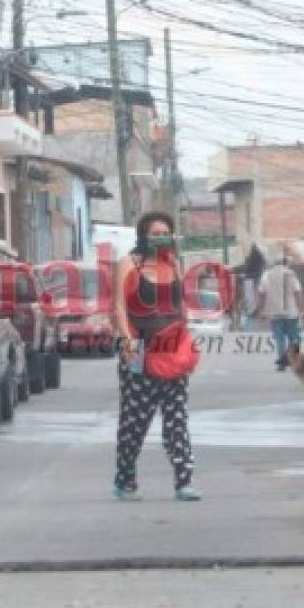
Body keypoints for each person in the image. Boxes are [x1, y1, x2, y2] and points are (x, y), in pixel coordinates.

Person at [112, 211, 200, 502]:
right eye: (155, 233)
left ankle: (183, 481)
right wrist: (127, 340)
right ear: (143, 235)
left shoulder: (173, 264)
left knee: (176, 416)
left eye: (165, 233)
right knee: (134, 419)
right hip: (138, 348)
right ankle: (125, 478)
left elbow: (180, 305)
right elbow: (119, 307)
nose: (161, 238)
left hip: (172, 348)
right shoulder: (129, 263)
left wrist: (186, 340)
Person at [256, 250, 304, 371]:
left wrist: (261, 310)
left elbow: (261, 294)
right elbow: (298, 293)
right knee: (294, 337)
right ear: (284, 262)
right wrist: (302, 309)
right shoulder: (290, 274)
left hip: (274, 313)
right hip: (291, 312)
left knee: (279, 339)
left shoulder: (266, 275)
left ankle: (282, 363)